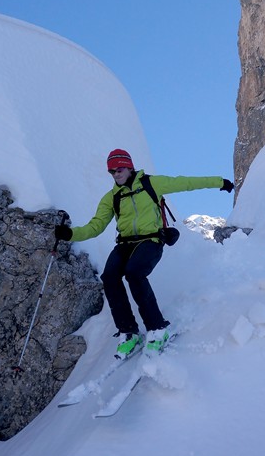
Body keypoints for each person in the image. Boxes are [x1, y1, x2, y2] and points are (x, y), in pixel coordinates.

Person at [55, 148, 234, 359]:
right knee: (110, 277)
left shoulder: (152, 184)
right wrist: (70, 234)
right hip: (125, 243)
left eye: (119, 169)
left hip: (151, 240)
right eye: (112, 172)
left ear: (129, 167)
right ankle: (129, 333)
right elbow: (95, 226)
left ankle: (158, 328)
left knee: (134, 273)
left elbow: (186, 182)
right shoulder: (111, 198)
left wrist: (219, 182)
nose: (116, 174)